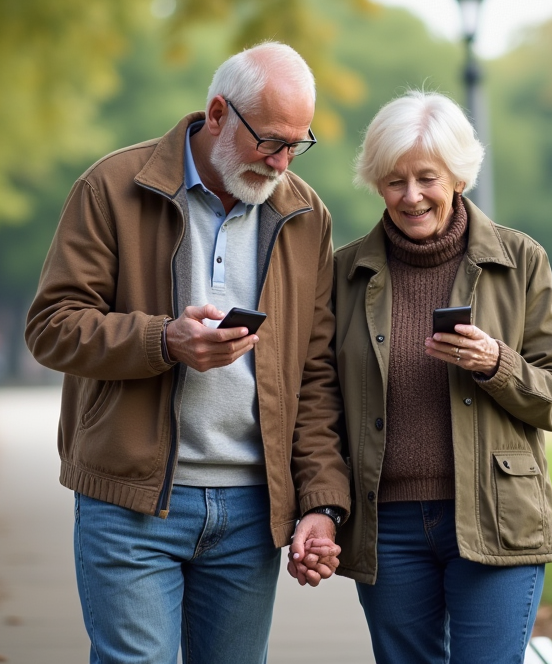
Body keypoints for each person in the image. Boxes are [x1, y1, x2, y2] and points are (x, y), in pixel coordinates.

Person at [25, 42, 348, 664]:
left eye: (296, 144)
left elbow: (314, 376)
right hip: (130, 500)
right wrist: (164, 340)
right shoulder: (113, 187)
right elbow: (52, 327)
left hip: (253, 509)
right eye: (271, 140)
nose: (282, 161)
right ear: (220, 112)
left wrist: (321, 503)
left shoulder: (306, 215)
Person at [332, 90, 552, 664]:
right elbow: (319, 399)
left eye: (427, 178)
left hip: (497, 515)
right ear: (376, 183)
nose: (411, 196)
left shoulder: (520, 261)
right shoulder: (344, 273)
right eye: (395, 181)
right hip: (387, 525)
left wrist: (498, 364)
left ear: (459, 178)